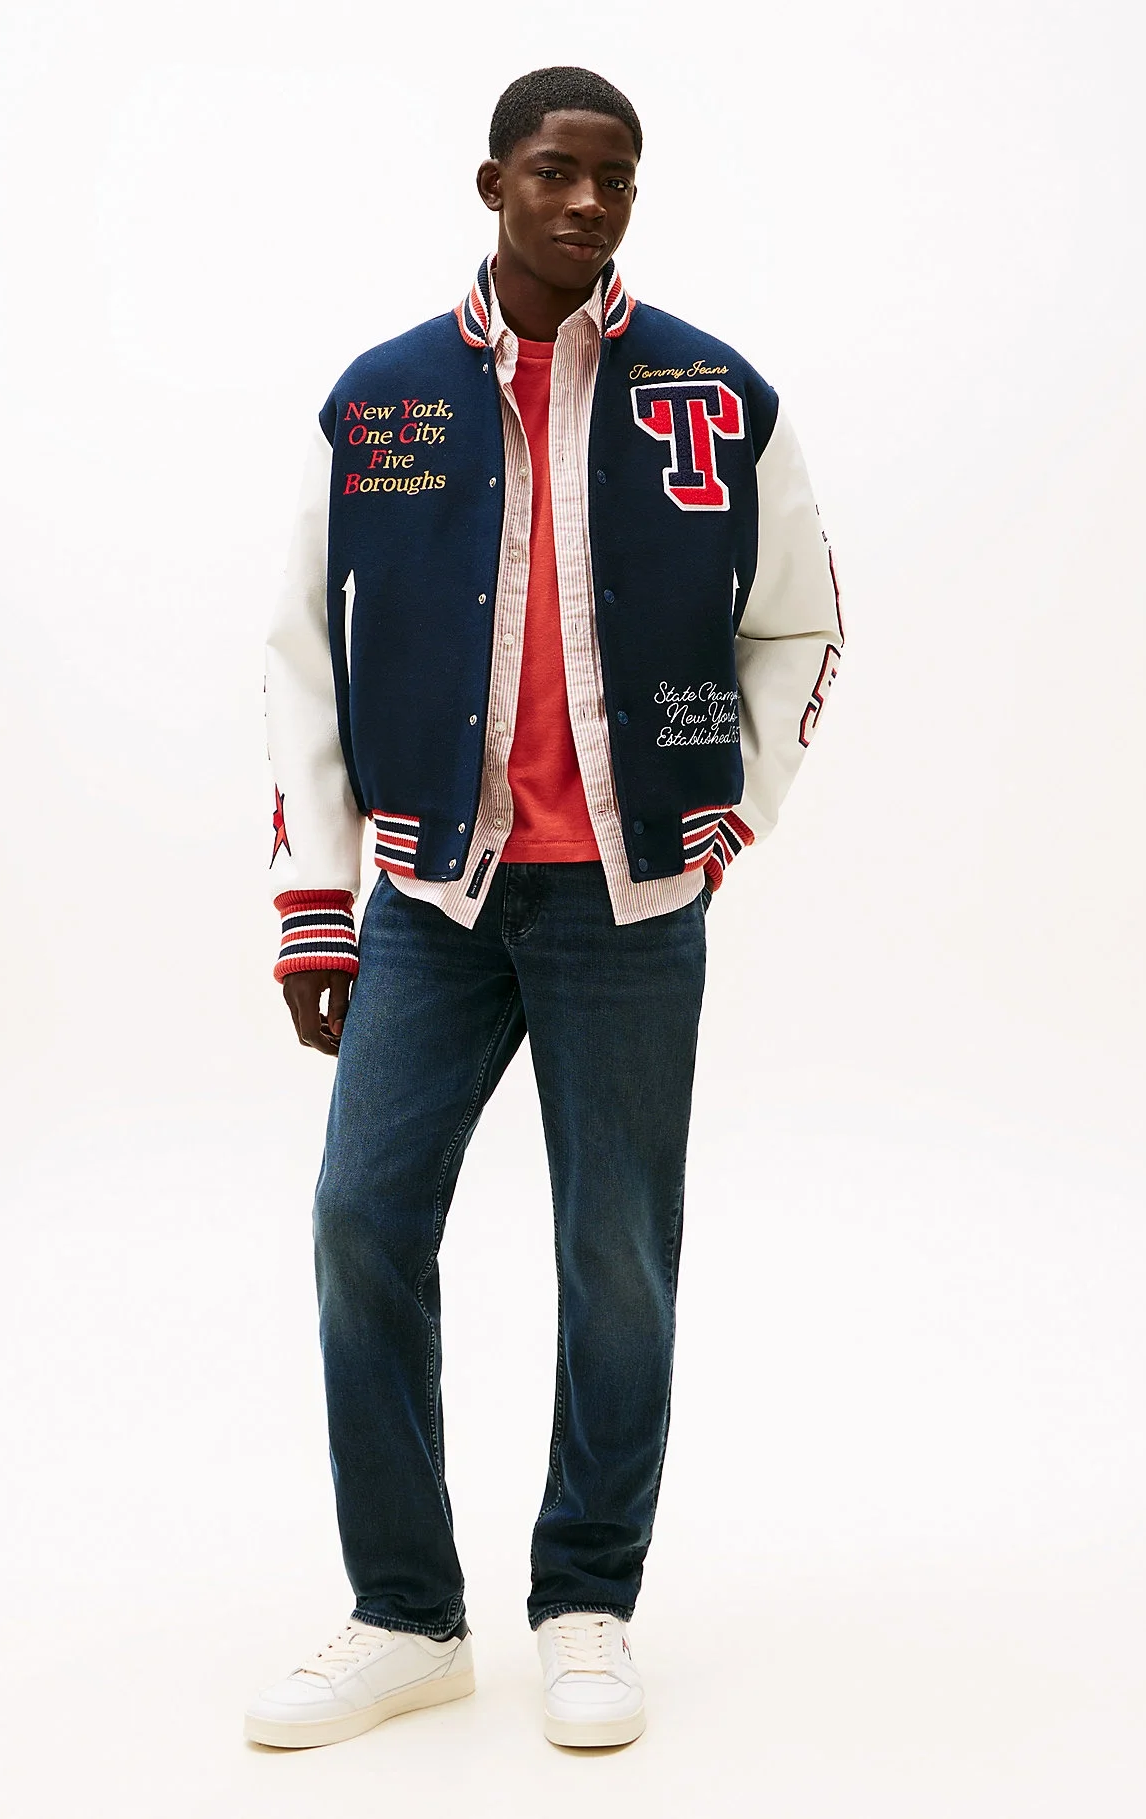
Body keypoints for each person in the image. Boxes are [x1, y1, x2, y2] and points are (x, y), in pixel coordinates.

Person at [244, 64, 843, 1752]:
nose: (588, 201)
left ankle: (587, 1597)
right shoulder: (384, 401)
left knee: (618, 1252)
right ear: (494, 181)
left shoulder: (714, 393)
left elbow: (800, 624)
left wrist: (731, 810)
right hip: (436, 896)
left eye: (617, 177)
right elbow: (302, 652)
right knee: (363, 1218)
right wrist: (316, 896)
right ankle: (405, 1614)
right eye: (558, 171)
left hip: (629, 903)